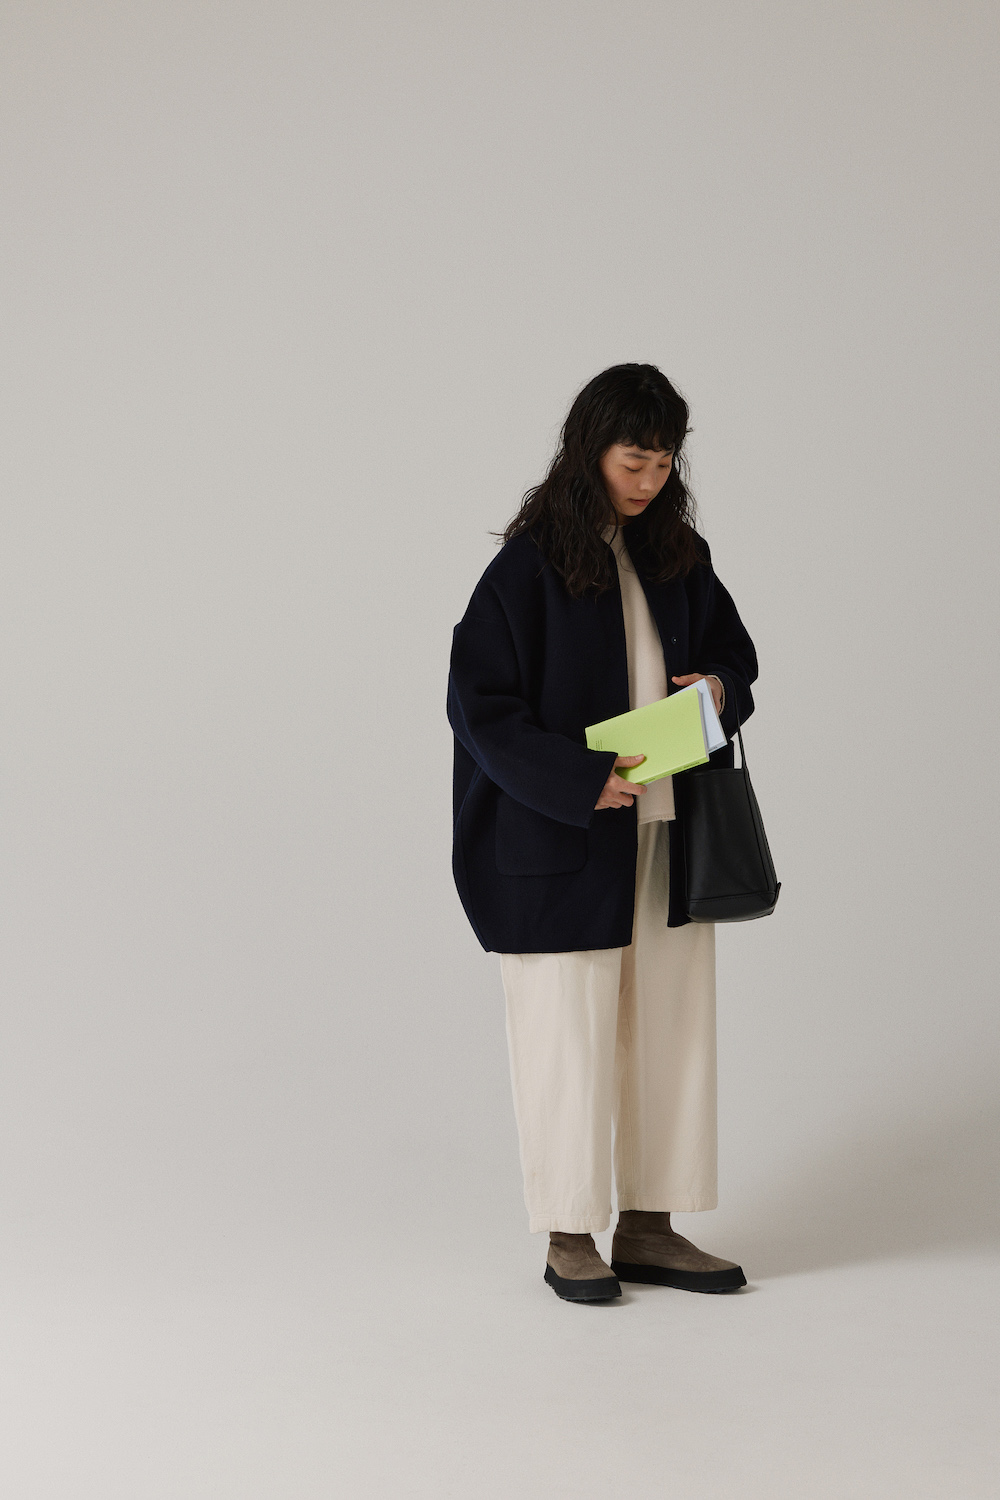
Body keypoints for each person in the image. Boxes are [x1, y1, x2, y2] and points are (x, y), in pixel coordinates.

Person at [447, 363, 759, 1303]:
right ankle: (569, 1235)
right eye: (635, 461)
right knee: (568, 1040)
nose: (650, 481)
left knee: (670, 1034)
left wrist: (716, 688)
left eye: (664, 464)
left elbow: (735, 657)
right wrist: (583, 782)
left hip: (666, 836)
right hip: (564, 840)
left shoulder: (677, 553)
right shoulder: (528, 566)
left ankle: (651, 1228)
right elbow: (477, 707)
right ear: (591, 450)